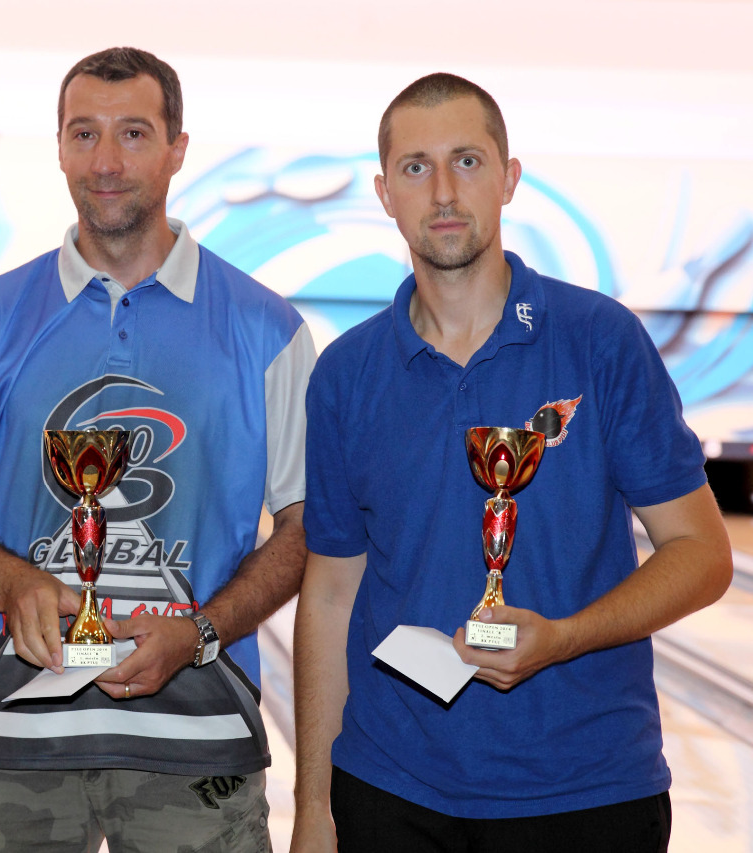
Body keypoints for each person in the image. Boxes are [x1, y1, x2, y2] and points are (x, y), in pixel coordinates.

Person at [291, 73, 734, 852]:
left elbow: (702, 553)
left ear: (508, 178)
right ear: (385, 193)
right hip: (391, 786)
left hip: (588, 789)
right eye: (416, 167)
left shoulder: (600, 340)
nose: (443, 192)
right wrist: (311, 807)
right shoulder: (347, 373)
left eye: (466, 161)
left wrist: (563, 636)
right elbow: (329, 593)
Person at [0, 46, 314, 852]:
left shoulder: (266, 328)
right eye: (84, 134)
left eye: (133, 133)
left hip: (196, 739)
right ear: (59, 148)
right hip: (11, 736)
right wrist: (14, 582)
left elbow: (307, 527)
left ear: (177, 149)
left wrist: (201, 631)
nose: (106, 161)